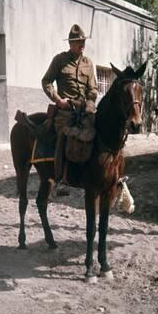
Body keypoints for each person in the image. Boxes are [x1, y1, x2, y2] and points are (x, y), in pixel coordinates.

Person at [41, 24, 98, 194]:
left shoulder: (88, 62)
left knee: (99, 132)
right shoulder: (60, 60)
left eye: (83, 41)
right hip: (66, 110)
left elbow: (93, 89)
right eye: (78, 41)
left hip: (85, 109)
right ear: (70, 43)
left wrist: (90, 102)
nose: (82, 44)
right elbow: (46, 81)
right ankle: (60, 179)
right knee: (63, 135)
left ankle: (98, 173)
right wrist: (58, 100)